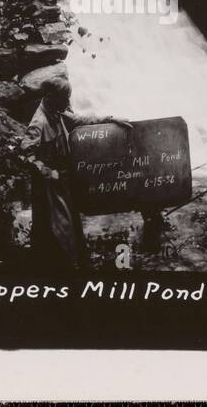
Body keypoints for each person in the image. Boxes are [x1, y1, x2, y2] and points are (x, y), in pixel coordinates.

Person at [20, 76, 131, 270]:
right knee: (58, 228)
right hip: (49, 185)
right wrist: (47, 172)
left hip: (61, 180)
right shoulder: (39, 123)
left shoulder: (57, 111)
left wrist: (111, 119)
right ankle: (63, 269)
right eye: (65, 98)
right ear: (52, 97)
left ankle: (64, 264)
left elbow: (81, 119)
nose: (68, 102)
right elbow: (24, 155)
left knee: (67, 226)